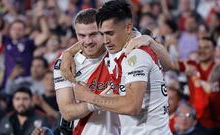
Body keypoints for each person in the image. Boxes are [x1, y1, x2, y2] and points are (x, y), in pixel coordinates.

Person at [62, 0, 173, 135]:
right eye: (102, 34)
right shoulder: (124, 43)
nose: (105, 41)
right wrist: (67, 53)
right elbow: (168, 64)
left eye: (110, 33)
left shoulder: (136, 55)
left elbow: (132, 106)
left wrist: (90, 97)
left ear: (127, 28)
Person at [54, 8, 120, 135]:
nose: (88, 41)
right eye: (82, 36)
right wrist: (96, 103)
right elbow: (67, 112)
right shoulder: (64, 63)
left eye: (93, 34)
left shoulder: (118, 51)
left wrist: (69, 51)